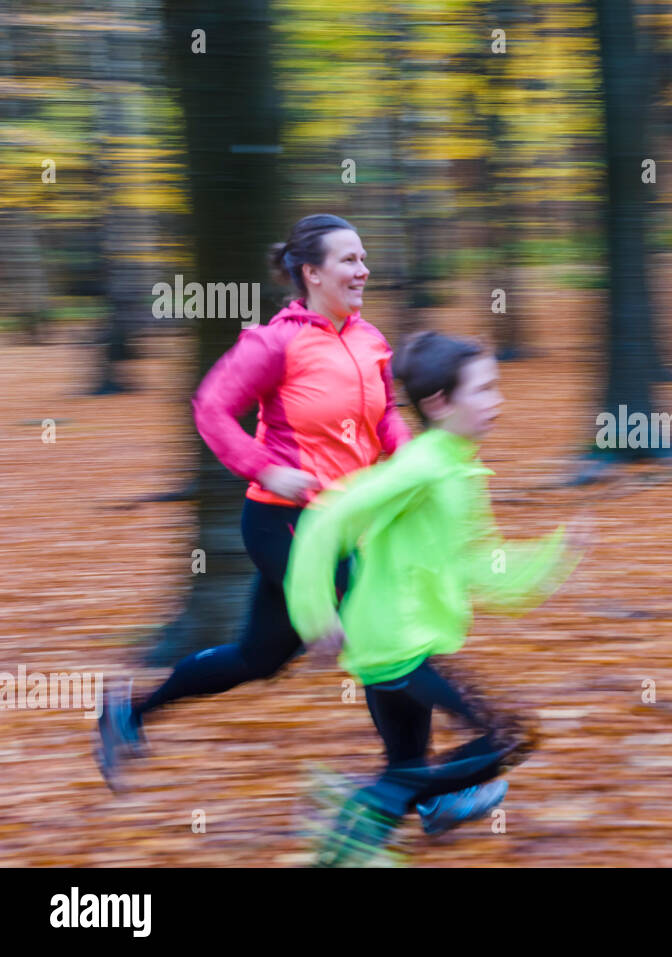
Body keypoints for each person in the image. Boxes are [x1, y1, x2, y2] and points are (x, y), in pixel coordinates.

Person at [96, 214, 412, 789]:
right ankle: (415, 784)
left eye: (364, 258)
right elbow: (210, 408)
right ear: (311, 273)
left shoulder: (371, 340)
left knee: (258, 659)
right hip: (283, 522)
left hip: (342, 522)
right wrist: (266, 467)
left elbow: (386, 415)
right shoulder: (275, 342)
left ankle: (128, 711)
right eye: (349, 260)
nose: (363, 270)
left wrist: (412, 463)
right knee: (381, 634)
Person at [284, 331, 590, 860]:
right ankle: (353, 809)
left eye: (496, 388)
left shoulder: (457, 468)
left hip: (396, 648)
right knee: (511, 734)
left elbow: (480, 564)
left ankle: (349, 834)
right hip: (398, 646)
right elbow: (327, 516)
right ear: (439, 404)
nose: (498, 402)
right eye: (484, 390)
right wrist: (314, 613)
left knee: (406, 771)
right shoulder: (423, 465)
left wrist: (553, 555)